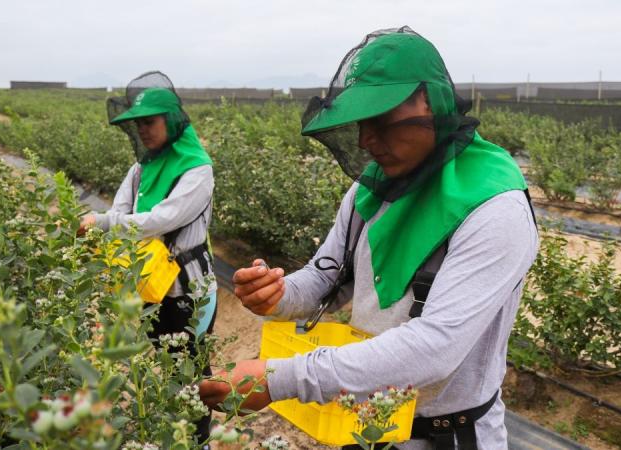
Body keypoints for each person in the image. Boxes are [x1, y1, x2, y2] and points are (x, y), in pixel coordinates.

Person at [199, 27, 538, 450]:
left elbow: (434, 347)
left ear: (431, 103)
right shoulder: (370, 191)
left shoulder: (494, 207)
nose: (365, 139)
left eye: (381, 119)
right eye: (361, 121)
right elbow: (325, 277)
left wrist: (280, 377)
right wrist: (279, 294)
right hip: (364, 422)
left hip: (448, 435)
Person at [78, 75, 217, 440]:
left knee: (191, 372)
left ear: (171, 122)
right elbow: (123, 208)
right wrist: (110, 222)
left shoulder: (198, 169)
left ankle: (197, 441)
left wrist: (105, 223)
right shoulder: (140, 168)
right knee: (164, 365)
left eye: (150, 122)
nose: (142, 130)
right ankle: (172, 436)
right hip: (148, 284)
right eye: (139, 123)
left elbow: (161, 220)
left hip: (188, 290)